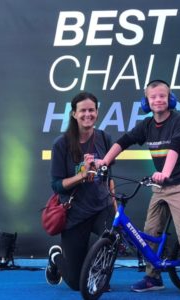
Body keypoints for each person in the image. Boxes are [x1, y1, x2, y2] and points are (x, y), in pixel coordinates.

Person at [97, 80, 180, 296]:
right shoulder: (146, 125)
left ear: (170, 99)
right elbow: (124, 141)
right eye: (153, 97)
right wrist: (104, 161)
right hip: (160, 186)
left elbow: (175, 147)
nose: (158, 100)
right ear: (146, 101)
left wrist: (165, 173)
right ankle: (152, 277)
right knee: (149, 233)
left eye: (162, 96)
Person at [45, 92, 115, 291]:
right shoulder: (61, 144)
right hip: (74, 214)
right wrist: (81, 176)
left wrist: (116, 208)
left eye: (91, 110)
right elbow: (57, 186)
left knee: (112, 237)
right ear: (74, 114)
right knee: (77, 283)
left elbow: (110, 178)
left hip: (102, 207)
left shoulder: (105, 138)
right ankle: (55, 256)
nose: (87, 114)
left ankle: (101, 273)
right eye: (82, 110)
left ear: (97, 113)